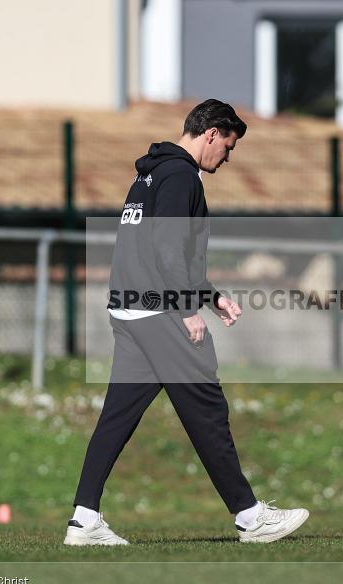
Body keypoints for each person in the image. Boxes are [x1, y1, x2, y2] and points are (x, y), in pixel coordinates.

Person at [66, 100, 309, 546]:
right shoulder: (180, 176)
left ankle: (84, 520)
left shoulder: (152, 173)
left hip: (130, 308)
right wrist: (186, 310)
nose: (228, 158)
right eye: (228, 147)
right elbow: (166, 248)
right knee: (207, 409)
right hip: (160, 310)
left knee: (118, 417)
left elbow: (163, 249)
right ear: (212, 133)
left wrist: (210, 296)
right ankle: (251, 518)